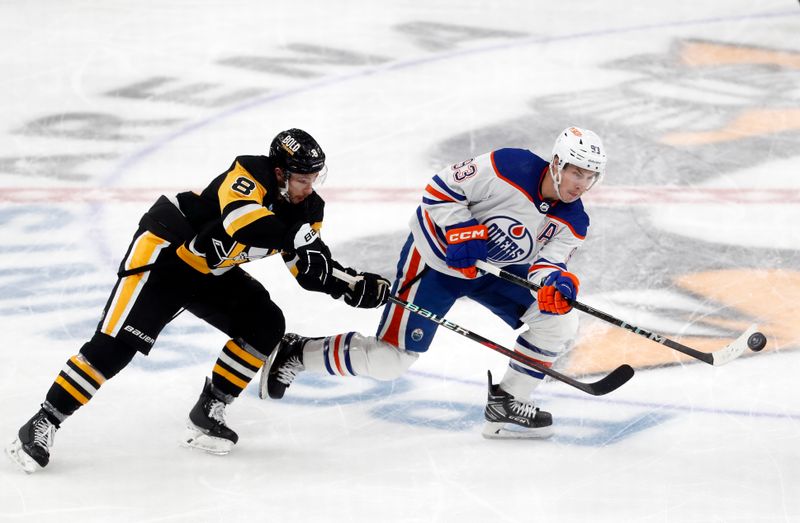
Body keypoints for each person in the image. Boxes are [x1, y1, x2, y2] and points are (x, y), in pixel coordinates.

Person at [5, 128, 390, 473]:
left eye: (314, 179)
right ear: (279, 173)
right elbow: (241, 222)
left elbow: (306, 268)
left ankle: (210, 407)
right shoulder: (248, 173)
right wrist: (297, 240)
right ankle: (42, 423)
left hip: (208, 269)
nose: (310, 187)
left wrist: (350, 284)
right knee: (115, 348)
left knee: (266, 323)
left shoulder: (309, 208)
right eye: (302, 179)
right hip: (166, 254)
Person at [265, 127, 607, 439]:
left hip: (491, 273)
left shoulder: (574, 219)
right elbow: (440, 189)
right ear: (558, 164)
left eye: (590, 176)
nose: (581, 183)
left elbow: (547, 265)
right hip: (437, 261)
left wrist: (555, 284)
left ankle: (507, 403)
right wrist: (461, 229)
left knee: (559, 320)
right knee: (390, 361)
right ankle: (296, 352)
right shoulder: (509, 166)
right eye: (576, 171)